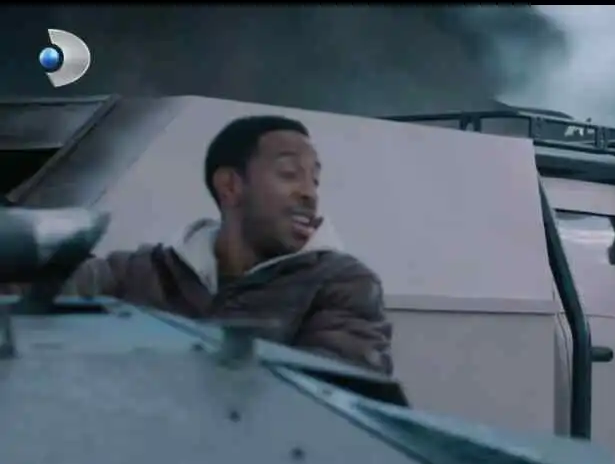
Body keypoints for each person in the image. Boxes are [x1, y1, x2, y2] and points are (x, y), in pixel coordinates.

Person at [6, 116, 393, 375]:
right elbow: (32, 294)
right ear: (230, 186)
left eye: (314, 180)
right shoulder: (139, 272)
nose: (309, 193)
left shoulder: (345, 285)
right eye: (290, 174)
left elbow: (340, 393)